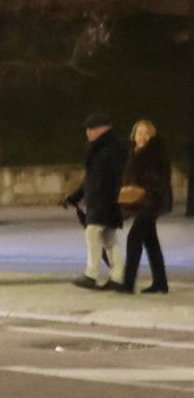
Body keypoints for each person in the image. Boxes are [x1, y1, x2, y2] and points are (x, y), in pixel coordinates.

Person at [63, 112, 127, 290]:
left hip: (104, 200)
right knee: (108, 238)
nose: (88, 132)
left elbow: (108, 178)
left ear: (102, 129)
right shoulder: (102, 148)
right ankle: (118, 277)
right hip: (102, 200)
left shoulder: (110, 150)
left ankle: (91, 274)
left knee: (93, 233)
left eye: (91, 129)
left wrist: (105, 197)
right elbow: (90, 179)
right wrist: (75, 197)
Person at [120, 119, 172, 294]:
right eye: (139, 132)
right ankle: (161, 282)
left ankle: (128, 283)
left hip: (151, 201)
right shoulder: (133, 152)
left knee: (134, 238)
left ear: (152, 136)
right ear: (134, 135)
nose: (141, 136)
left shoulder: (155, 154)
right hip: (141, 201)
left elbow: (158, 180)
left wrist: (143, 189)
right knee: (150, 241)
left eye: (146, 133)